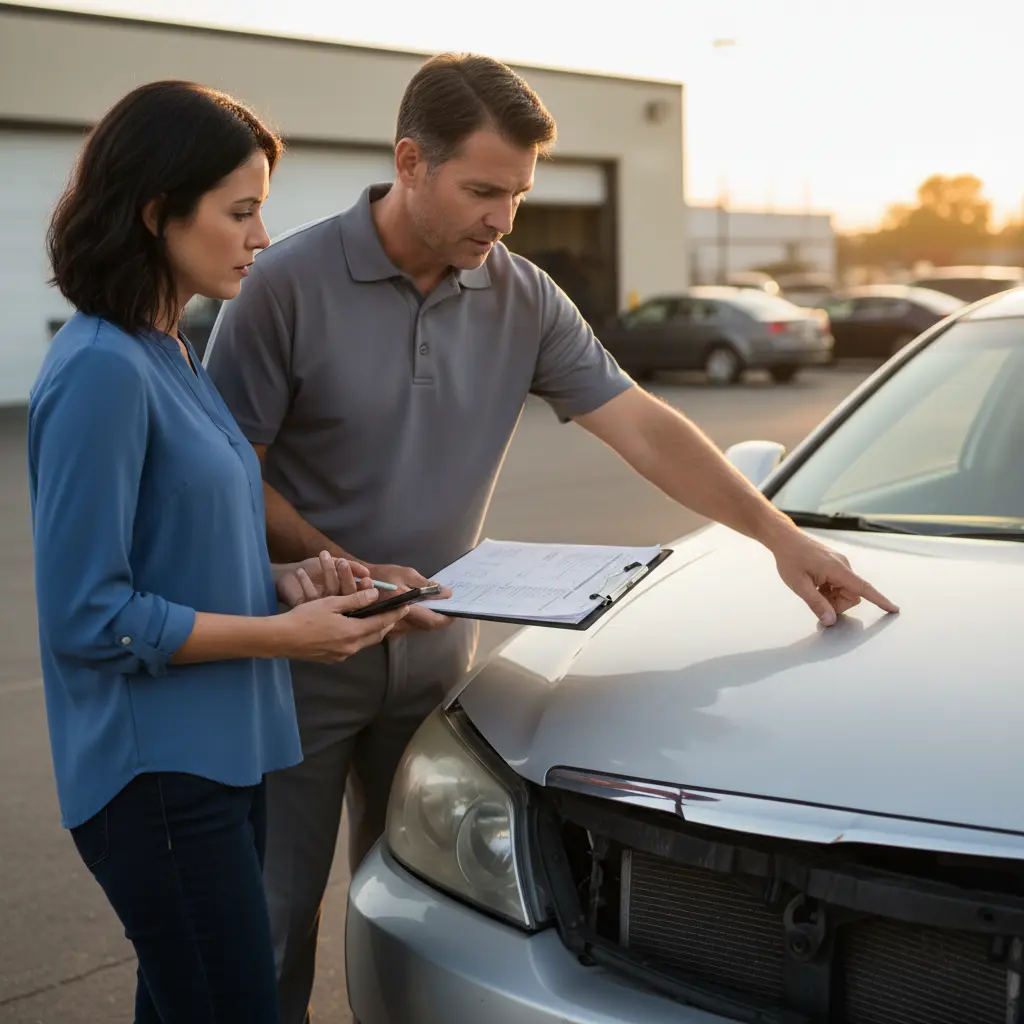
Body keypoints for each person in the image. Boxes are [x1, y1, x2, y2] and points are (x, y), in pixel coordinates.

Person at [204, 53, 899, 1023]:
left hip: (438, 654)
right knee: (273, 921)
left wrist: (780, 537)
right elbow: (225, 471)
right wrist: (347, 568)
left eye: (519, 195)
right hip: (299, 660)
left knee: (423, 910)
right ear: (410, 162)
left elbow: (643, 426)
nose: (504, 219)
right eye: (483, 191)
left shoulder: (523, 296)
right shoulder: (282, 284)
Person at [29, 80, 411, 1024]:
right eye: (240, 212)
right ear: (156, 210)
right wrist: (287, 638)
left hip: (225, 760)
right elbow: (89, 616)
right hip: (157, 783)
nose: (261, 236)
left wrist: (287, 583)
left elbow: (176, 551)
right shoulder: (101, 370)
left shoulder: (170, 350)